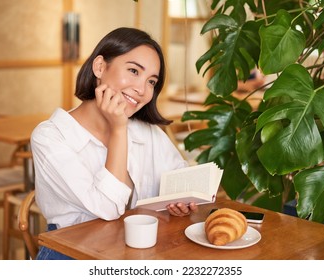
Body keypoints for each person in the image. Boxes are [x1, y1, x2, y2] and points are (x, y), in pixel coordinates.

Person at [31, 27, 198, 260]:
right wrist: (118, 129)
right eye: (133, 71)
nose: (142, 90)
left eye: (151, 81)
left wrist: (180, 201)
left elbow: (181, 177)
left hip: (136, 250)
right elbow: (108, 209)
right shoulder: (51, 136)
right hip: (71, 254)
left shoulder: (148, 133)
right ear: (100, 67)